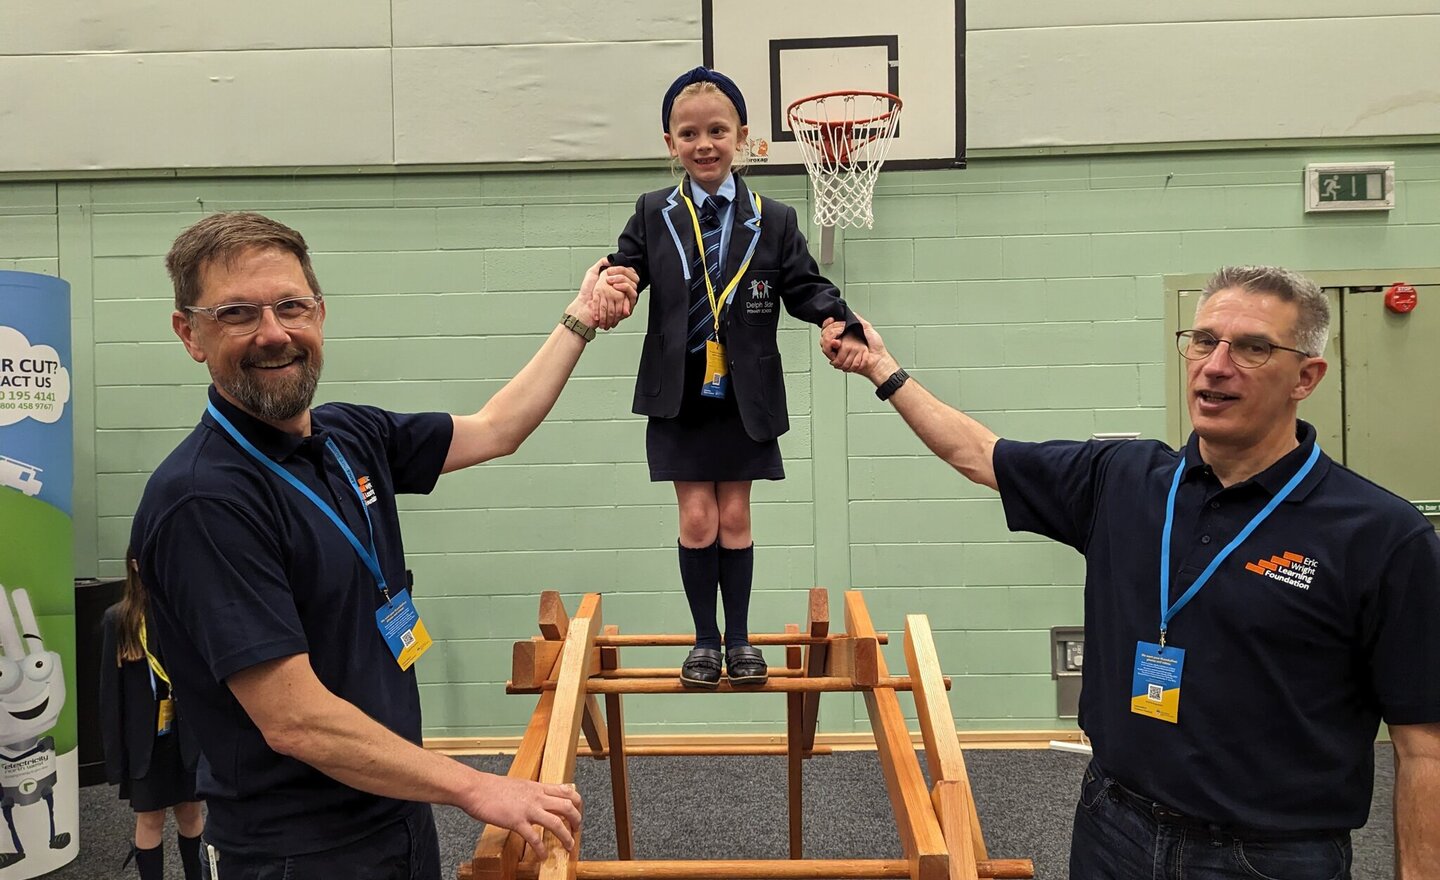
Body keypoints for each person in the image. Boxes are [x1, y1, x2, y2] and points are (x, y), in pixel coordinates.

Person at [821, 265, 1440, 879]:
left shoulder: (1381, 534)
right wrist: (881, 368)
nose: (1215, 365)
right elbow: (978, 454)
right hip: (1113, 824)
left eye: (1252, 348)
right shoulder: (1125, 479)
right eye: (1203, 340)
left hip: (1266, 856)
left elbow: (1424, 748)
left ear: (1306, 376)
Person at [130, 211, 639, 880]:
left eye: (290, 306)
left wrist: (579, 319)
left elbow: (496, 428)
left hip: (396, 812)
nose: (274, 333)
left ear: (319, 313)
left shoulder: (348, 436)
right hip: (296, 852)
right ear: (189, 334)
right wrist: (476, 785)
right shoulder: (204, 501)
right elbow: (296, 722)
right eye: (237, 314)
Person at [596, 66, 868, 690]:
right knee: (697, 518)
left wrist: (836, 318)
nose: (704, 144)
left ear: (742, 136)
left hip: (744, 390)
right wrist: (616, 285)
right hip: (682, 390)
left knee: (736, 516)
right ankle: (704, 641)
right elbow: (626, 266)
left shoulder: (772, 219)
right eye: (688, 133)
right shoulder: (652, 211)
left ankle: (740, 638)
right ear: (670, 143)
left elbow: (804, 285)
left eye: (718, 130)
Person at [100, 549, 205, 880]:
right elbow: (109, 697)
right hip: (145, 742)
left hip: (186, 737)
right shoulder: (120, 620)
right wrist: (116, 759)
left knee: (190, 812)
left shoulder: (184, 611)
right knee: (150, 818)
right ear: (134, 564)